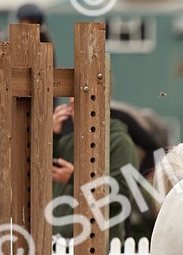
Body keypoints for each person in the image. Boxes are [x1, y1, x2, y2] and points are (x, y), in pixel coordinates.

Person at [51, 99, 139, 245]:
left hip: (98, 245)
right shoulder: (67, 141)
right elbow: (36, 172)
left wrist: (76, 178)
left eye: (78, 103)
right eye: (71, 104)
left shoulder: (120, 142)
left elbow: (121, 194)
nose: (71, 110)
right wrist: (51, 136)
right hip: (59, 245)